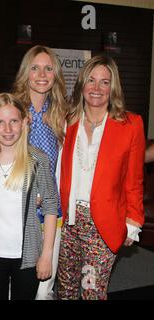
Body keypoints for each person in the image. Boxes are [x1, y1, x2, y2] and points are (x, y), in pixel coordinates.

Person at [56, 55, 145, 300]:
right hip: (69, 222)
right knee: (64, 290)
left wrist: (133, 222)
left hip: (103, 224)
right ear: (82, 84)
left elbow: (134, 179)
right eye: (91, 81)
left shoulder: (130, 124)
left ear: (112, 87)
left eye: (104, 82)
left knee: (91, 290)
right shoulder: (68, 121)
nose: (97, 88)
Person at [0, 93, 58, 300]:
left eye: (14, 121)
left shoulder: (37, 159)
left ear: (24, 122)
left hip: (28, 254)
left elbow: (51, 205)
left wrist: (46, 255)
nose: (8, 129)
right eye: (0, 122)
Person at [12, 45, 68, 300]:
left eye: (48, 68)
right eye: (35, 68)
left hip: (49, 213)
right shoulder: (12, 110)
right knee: (16, 285)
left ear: (55, 74)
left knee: (45, 285)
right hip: (17, 212)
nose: (42, 74)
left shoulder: (60, 116)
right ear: (25, 72)